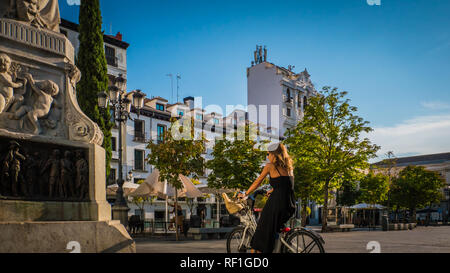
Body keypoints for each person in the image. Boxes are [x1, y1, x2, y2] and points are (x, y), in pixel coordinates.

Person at [239, 143, 296, 253]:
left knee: (262, 232)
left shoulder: (270, 166)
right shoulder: (289, 167)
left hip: (276, 205)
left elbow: (258, 181)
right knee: (271, 231)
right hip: (290, 205)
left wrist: (245, 193)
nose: (267, 156)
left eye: (268, 154)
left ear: (274, 155)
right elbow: (287, 185)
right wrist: (274, 189)